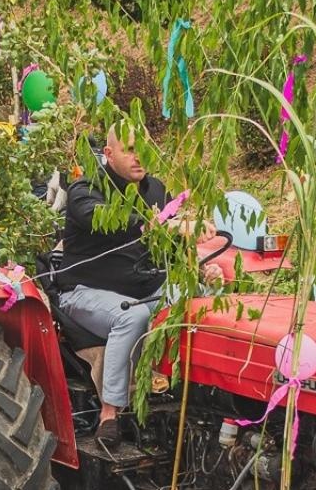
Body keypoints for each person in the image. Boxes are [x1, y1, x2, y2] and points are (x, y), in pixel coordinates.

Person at [52, 127, 223, 456]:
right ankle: (109, 414)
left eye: (144, 148)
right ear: (109, 153)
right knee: (133, 317)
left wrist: (200, 271)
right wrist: (163, 224)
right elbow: (106, 220)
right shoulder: (85, 190)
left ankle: (203, 398)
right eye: (130, 149)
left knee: (203, 298)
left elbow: (166, 247)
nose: (139, 156)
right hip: (85, 291)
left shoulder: (155, 188)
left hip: (142, 286)